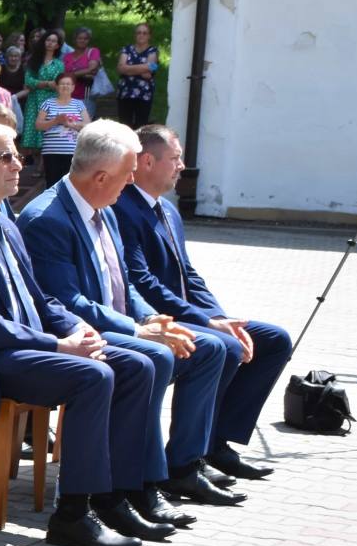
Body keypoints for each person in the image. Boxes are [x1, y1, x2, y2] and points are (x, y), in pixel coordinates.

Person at [0, 124, 156, 546]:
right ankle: (72, 516)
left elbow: (38, 299)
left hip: (16, 349)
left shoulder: (4, 220)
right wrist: (59, 347)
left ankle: (113, 495)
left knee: (135, 365)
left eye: (18, 155)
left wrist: (76, 328)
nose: (18, 164)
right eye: (5, 157)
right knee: (92, 376)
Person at [18, 121, 240, 522]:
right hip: (75, 332)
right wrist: (138, 330)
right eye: (127, 174)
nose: (131, 182)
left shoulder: (105, 209)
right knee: (152, 358)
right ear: (101, 176)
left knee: (206, 347)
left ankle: (182, 466)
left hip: (113, 324)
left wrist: (154, 317)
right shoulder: (47, 219)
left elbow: (124, 283)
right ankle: (133, 486)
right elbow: (67, 303)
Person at [116, 126, 291, 481]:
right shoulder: (123, 209)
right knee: (221, 345)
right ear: (147, 161)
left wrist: (220, 317)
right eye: (176, 158)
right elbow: (142, 282)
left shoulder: (168, 210)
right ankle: (185, 460)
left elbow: (189, 275)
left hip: (193, 316)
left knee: (273, 340)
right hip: (158, 320)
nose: (182, 166)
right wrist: (208, 324)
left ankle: (217, 442)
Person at [20, 29, 66, 159]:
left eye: (54, 41)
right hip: (34, 100)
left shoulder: (59, 64)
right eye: (48, 40)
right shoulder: (34, 60)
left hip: (50, 100)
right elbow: (28, 81)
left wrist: (41, 83)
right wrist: (46, 83)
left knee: (48, 131)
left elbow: (58, 83)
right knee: (33, 131)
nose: (50, 43)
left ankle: (42, 166)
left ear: (57, 45)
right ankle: (36, 162)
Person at [37, 73, 89, 184]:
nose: (65, 86)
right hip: (51, 152)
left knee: (72, 184)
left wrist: (70, 124)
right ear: (56, 86)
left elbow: (88, 126)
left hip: (73, 152)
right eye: (62, 84)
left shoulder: (79, 104)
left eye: (68, 84)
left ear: (73, 87)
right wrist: (55, 121)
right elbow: (38, 125)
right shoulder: (48, 103)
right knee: (52, 183)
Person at [115, 25, 160, 129]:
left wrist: (128, 69)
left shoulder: (153, 51)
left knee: (141, 126)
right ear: (135, 35)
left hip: (144, 94)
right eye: (138, 32)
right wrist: (144, 69)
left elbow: (152, 68)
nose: (141, 35)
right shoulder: (126, 49)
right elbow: (120, 68)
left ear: (149, 36)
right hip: (125, 92)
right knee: (124, 126)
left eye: (145, 33)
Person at [62, 26, 103, 106]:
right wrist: (85, 72)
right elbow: (63, 75)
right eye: (79, 38)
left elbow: (92, 70)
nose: (82, 41)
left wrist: (71, 74)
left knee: (86, 118)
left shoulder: (93, 52)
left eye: (85, 38)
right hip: (68, 94)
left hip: (86, 95)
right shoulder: (67, 56)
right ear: (74, 40)